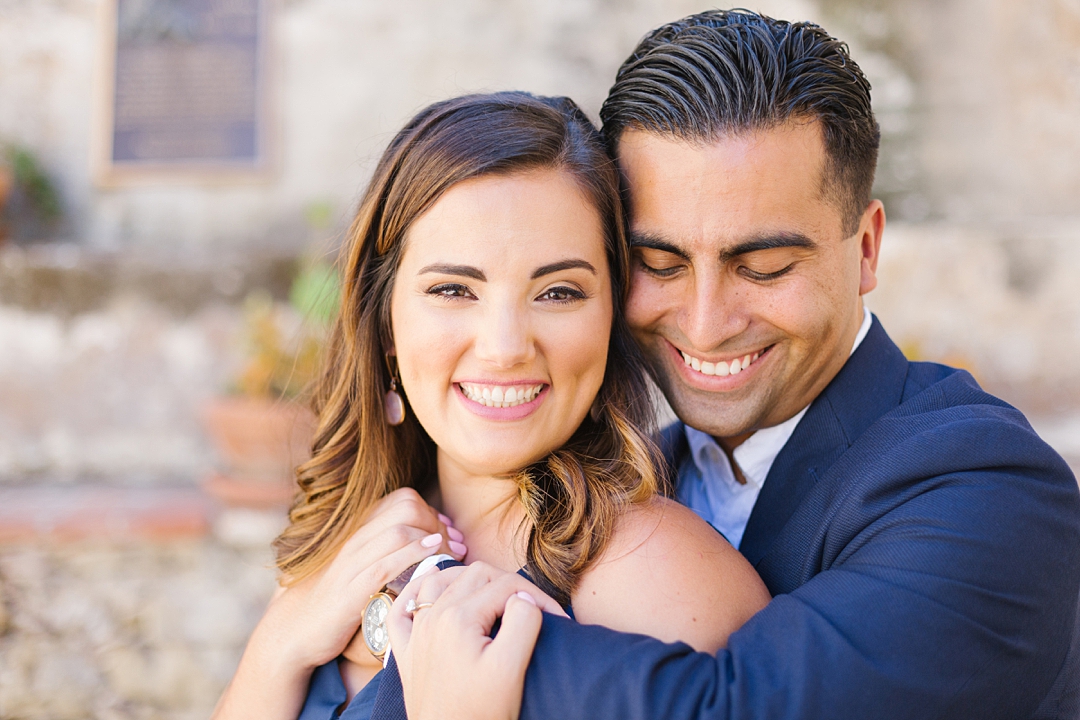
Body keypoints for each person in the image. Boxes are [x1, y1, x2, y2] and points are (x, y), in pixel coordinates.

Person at [386, 10, 1080, 720]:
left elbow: (743, 709)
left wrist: (415, 615)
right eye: (660, 263)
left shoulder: (986, 490)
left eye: (764, 266)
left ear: (866, 248)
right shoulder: (627, 481)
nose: (706, 323)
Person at [210, 91, 770, 720]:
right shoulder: (352, 541)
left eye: (558, 292)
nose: (505, 349)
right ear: (386, 328)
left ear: (611, 320)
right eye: (453, 289)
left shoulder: (660, 580)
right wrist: (278, 647)